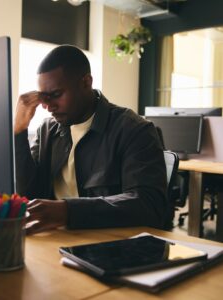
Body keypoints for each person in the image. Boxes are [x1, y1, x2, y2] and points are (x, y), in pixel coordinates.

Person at [14, 45, 168, 235]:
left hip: (110, 244)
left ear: (86, 82)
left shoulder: (133, 129)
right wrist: (19, 132)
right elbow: (28, 194)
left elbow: (149, 205)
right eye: (44, 98)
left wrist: (67, 211)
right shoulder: (47, 130)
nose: (49, 107)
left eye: (56, 95)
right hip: (56, 239)